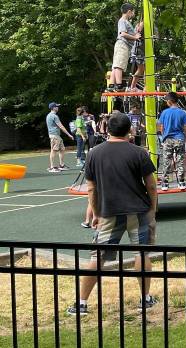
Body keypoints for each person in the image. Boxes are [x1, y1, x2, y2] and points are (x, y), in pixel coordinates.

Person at [66, 111, 158, 315]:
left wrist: (96, 213)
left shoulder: (94, 153)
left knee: (97, 257)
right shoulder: (139, 152)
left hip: (109, 212)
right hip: (138, 210)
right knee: (141, 254)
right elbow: (151, 185)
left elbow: (91, 188)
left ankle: (81, 303)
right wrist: (152, 209)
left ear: (107, 129)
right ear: (130, 129)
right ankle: (145, 299)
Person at [156, 91, 186, 190]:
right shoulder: (182, 112)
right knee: (180, 160)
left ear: (170, 101)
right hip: (179, 138)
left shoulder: (165, 112)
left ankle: (165, 183)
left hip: (168, 139)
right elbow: (185, 127)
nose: (166, 102)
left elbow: (160, 126)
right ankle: (181, 182)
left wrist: (163, 136)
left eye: (166, 100)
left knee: (166, 161)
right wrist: (184, 137)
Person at [108, 3, 140, 91]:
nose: (133, 14)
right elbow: (123, 33)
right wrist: (135, 37)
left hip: (122, 45)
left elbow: (131, 33)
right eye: (133, 12)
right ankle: (119, 85)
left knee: (115, 65)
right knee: (119, 65)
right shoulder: (123, 21)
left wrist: (136, 31)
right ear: (129, 12)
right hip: (123, 44)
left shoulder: (127, 22)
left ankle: (111, 85)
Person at [45, 102, 73, 173]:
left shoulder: (49, 115)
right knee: (54, 151)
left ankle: (61, 165)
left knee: (62, 149)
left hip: (56, 136)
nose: (58, 107)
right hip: (54, 136)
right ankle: (52, 167)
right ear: (53, 108)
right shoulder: (54, 116)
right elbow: (61, 126)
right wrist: (69, 135)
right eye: (56, 106)